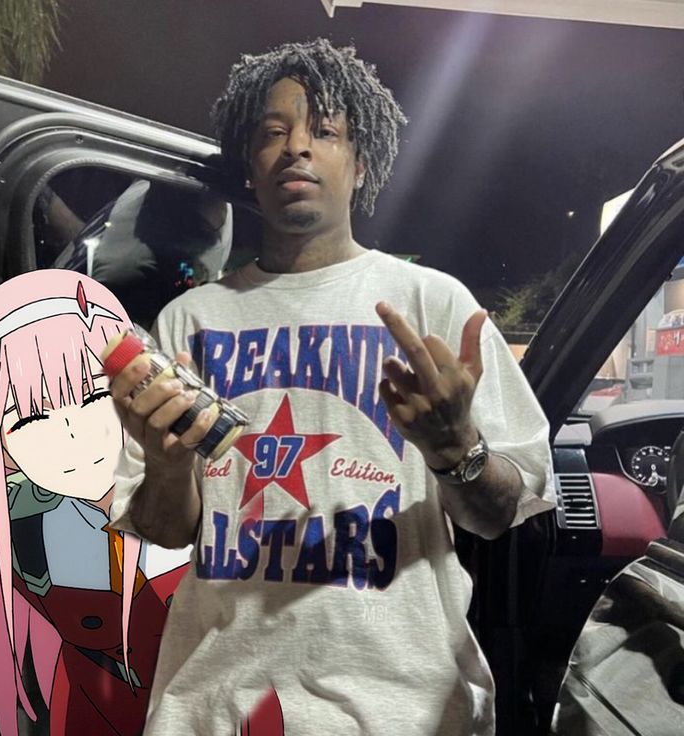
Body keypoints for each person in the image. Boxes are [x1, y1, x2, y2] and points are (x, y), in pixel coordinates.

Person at [109, 39, 556, 735]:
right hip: (217, 706)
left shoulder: (432, 305)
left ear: (360, 165)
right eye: (272, 134)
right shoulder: (189, 321)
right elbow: (167, 532)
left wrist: (455, 448)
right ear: (250, 170)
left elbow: (502, 512)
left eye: (324, 131)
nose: (297, 149)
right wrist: (169, 461)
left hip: (404, 707)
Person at [0, 270, 190, 736]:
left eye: (95, 395)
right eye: (33, 416)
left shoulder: (148, 465)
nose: (75, 430)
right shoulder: (23, 512)